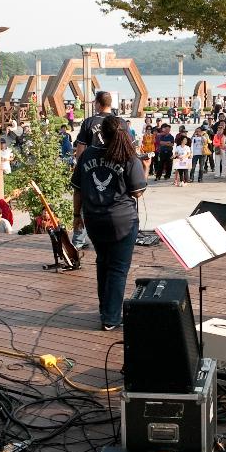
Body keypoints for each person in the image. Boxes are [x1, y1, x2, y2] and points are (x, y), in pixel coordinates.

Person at [71, 117, 148, 330]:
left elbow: (77, 189)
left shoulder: (87, 155)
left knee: (102, 262)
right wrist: (146, 168)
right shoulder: (128, 157)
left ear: (100, 134)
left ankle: (105, 309)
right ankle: (111, 318)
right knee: (118, 269)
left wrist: (77, 216)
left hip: (93, 219)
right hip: (122, 221)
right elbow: (137, 192)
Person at [74, 91, 116, 161]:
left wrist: (79, 165)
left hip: (92, 164)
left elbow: (81, 147)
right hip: (114, 165)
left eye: (95, 102)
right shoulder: (121, 122)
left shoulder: (89, 122)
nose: (94, 105)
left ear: (99, 104)